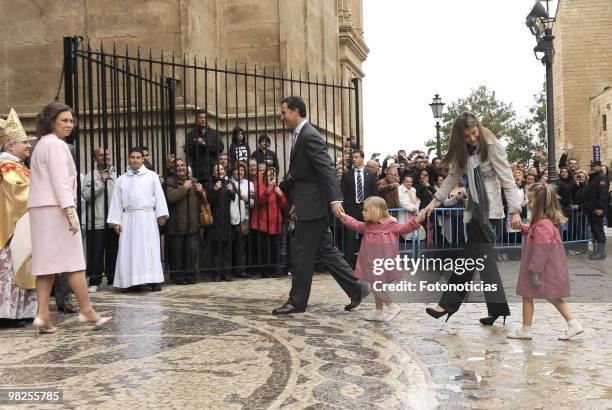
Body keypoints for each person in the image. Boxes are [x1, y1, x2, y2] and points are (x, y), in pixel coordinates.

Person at [421, 112, 522, 325]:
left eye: (474, 133)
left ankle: (446, 306)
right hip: (475, 210)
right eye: (467, 136)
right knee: (484, 263)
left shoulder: (492, 145)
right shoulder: (462, 151)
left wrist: (515, 210)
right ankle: (498, 309)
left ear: (478, 126)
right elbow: (451, 179)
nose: (472, 138)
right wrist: (433, 203)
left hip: (490, 212)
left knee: (468, 259)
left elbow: (507, 179)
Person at [272, 96, 366, 315]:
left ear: (295, 111)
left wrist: (335, 200)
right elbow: (307, 176)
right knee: (326, 251)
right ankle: (357, 288)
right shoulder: (300, 135)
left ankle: (297, 302)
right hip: (308, 203)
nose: (281, 116)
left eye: (284, 112)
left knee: (302, 254)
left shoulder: (309, 135)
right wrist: (297, 201)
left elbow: (326, 169)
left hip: (313, 207)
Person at [27, 102, 111, 333]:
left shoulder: (41, 145)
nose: (69, 124)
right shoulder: (56, 145)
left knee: (46, 265)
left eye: (71, 120)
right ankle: (87, 311)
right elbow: (60, 181)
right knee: (73, 263)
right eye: (64, 120)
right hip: (56, 209)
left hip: (40, 209)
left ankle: (42, 316)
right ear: (51, 121)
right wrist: (69, 210)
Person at [507, 182, 583, 340]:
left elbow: (541, 250)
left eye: (531, 201)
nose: (528, 203)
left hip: (541, 268)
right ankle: (529, 329)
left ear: (541, 205)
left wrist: (535, 271)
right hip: (543, 267)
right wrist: (522, 227)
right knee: (539, 295)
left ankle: (571, 324)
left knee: (541, 296)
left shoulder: (543, 224)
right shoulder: (543, 222)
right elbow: (533, 232)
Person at [338, 196, 423, 321]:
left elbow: (404, 228)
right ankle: (378, 312)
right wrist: (343, 216)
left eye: (365, 210)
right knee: (377, 286)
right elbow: (354, 224)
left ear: (375, 210)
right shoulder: (367, 226)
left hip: (383, 262)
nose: (362, 212)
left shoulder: (390, 223)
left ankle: (392, 306)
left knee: (374, 287)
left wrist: (416, 221)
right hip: (371, 263)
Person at [107, 147, 169, 292]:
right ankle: (130, 282)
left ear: (143, 159)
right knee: (130, 250)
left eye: (138, 157)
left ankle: (153, 280)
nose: (135, 160)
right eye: (132, 157)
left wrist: (161, 214)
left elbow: (159, 196)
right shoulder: (121, 180)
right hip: (129, 218)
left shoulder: (152, 176)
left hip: (148, 217)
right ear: (128, 159)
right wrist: (116, 221)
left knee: (149, 249)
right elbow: (116, 201)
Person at [0, 108, 37, 327]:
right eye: (24, 142)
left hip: (22, 227)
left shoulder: (18, 166)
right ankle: (7, 314)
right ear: (11, 145)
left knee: (21, 268)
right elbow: (17, 194)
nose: (28, 146)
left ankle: (21, 312)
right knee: (10, 271)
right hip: (10, 230)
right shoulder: (7, 166)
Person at [82, 147, 119, 292]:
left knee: (113, 251)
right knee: (96, 252)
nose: (105, 157)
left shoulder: (117, 175)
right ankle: (94, 280)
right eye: (101, 155)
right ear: (95, 158)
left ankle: (112, 278)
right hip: (96, 220)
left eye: (107, 154)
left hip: (113, 220)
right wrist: (100, 182)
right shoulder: (90, 176)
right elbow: (85, 195)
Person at [165, 158, 203, 285]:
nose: (181, 168)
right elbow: (171, 198)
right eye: (177, 166)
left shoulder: (193, 181)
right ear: (172, 169)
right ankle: (178, 276)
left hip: (192, 224)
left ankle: (190, 275)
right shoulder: (169, 182)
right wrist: (184, 188)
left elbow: (202, 200)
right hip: (176, 224)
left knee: (191, 253)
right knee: (177, 253)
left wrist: (202, 191)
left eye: (182, 165)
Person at [340, 149, 378, 267]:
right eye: (353, 157)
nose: (354, 159)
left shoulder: (371, 175)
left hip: (366, 209)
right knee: (350, 236)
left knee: (367, 235)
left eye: (356, 157)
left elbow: (374, 194)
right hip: (351, 209)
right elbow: (342, 192)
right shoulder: (347, 175)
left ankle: (366, 261)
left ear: (362, 158)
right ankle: (350, 263)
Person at [251, 166, 287, 278]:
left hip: (275, 222)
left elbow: (283, 205)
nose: (272, 176)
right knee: (264, 248)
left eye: (273, 174)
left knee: (274, 247)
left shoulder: (277, 188)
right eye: (269, 174)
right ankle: (265, 270)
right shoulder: (260, 186)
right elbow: (260, 200)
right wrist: (269, 189)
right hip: (262, 223)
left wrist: (280, 195)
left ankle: (273, 268)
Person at [206, 164, 237, 281]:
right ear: (213, 173)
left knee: (226, 249)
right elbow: (208, 200)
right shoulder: (210, 184)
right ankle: (216, 273)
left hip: (227, 219)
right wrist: (214, 189)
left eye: (222, 169)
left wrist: (232, 191)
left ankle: (227, 272)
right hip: (215, 219)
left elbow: (234, 199)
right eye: (216, 170)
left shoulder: (229, 183)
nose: (220, 171)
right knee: (216, 249)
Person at [185, 109, 224, 183]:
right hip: (198, 172)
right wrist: (196, 145)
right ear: (197, 119)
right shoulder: (191, 134)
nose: (203, 119)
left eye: (205, 117)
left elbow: (220, 148)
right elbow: (187, 150)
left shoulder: (214, 133)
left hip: (213, 171)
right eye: (200, 117)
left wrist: (204, 144)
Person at [583, 160, 609, 260]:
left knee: (598, 230)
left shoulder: (601, 177)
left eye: (594, 166)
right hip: (591, 210)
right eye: (591, 166)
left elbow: (603, 195)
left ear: (599, 166)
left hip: (597, 210)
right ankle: (597, 252)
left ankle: (601, 253)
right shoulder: (593, 178)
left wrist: (600, 208)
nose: (592, 168)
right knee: (594, 230)